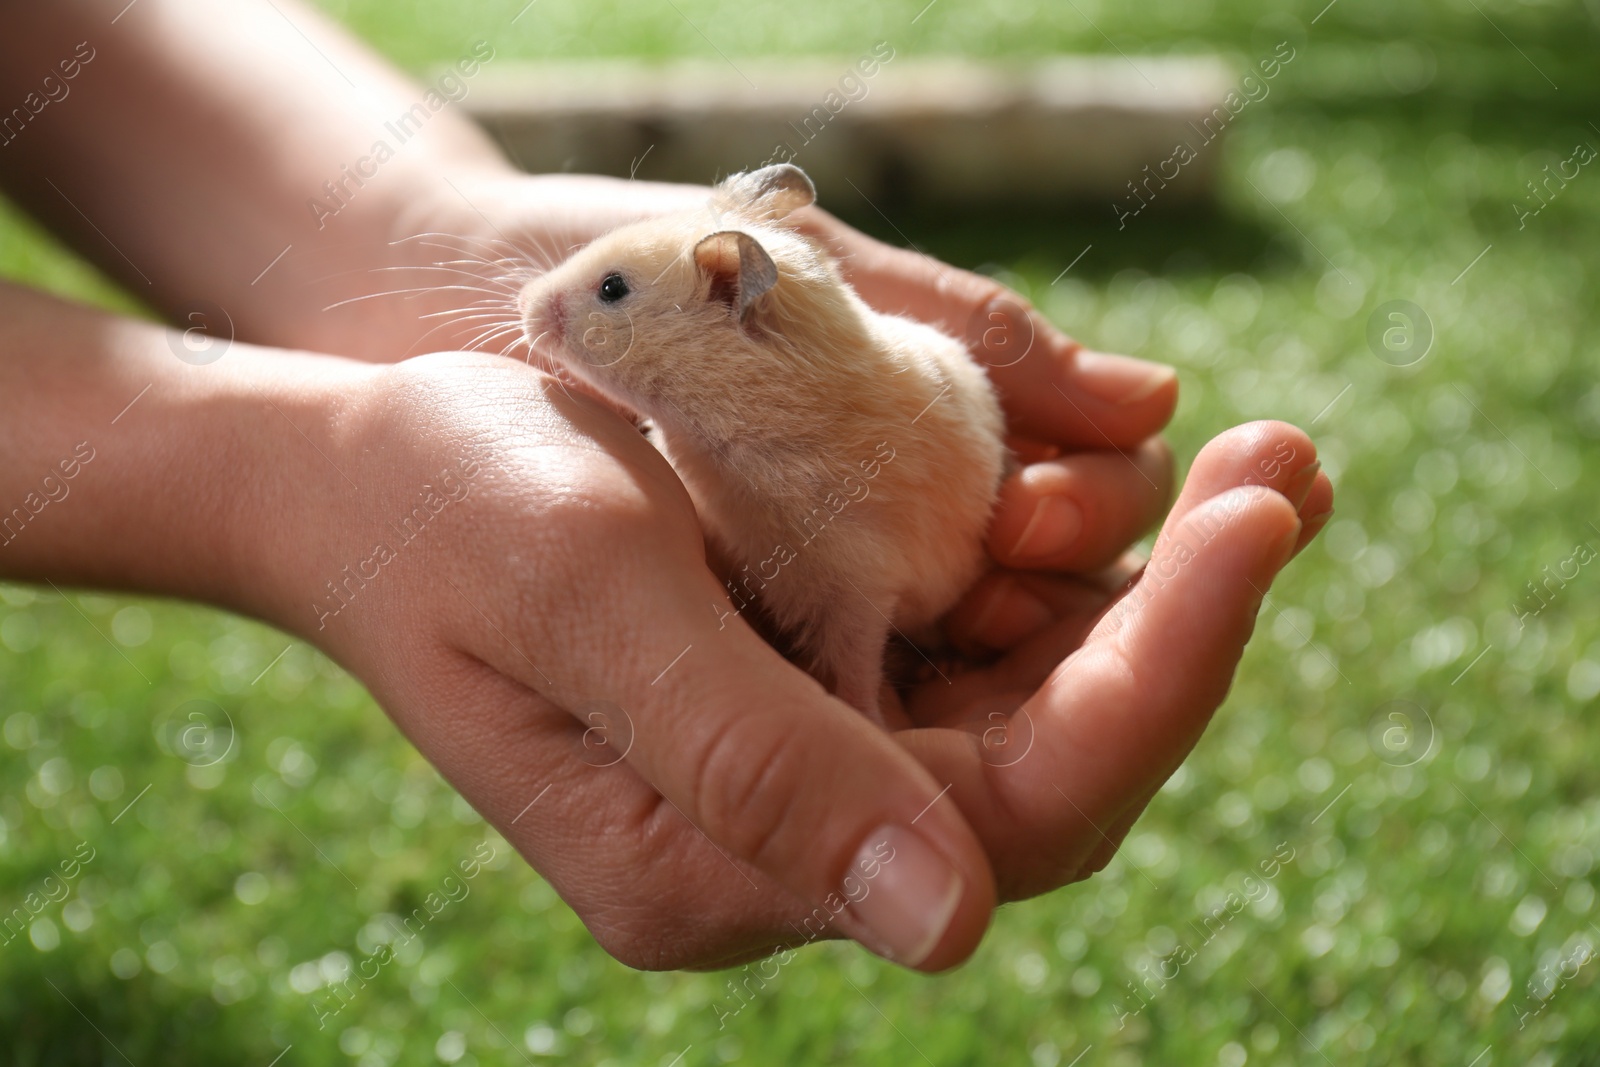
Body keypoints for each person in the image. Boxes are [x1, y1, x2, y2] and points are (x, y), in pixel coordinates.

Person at [0, 0, 1333, 973]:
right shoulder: (704, 380)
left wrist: (407, 216)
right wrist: (304, 476)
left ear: (732, 301)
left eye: (613, 289)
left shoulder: (800, 382)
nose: (555, 308)